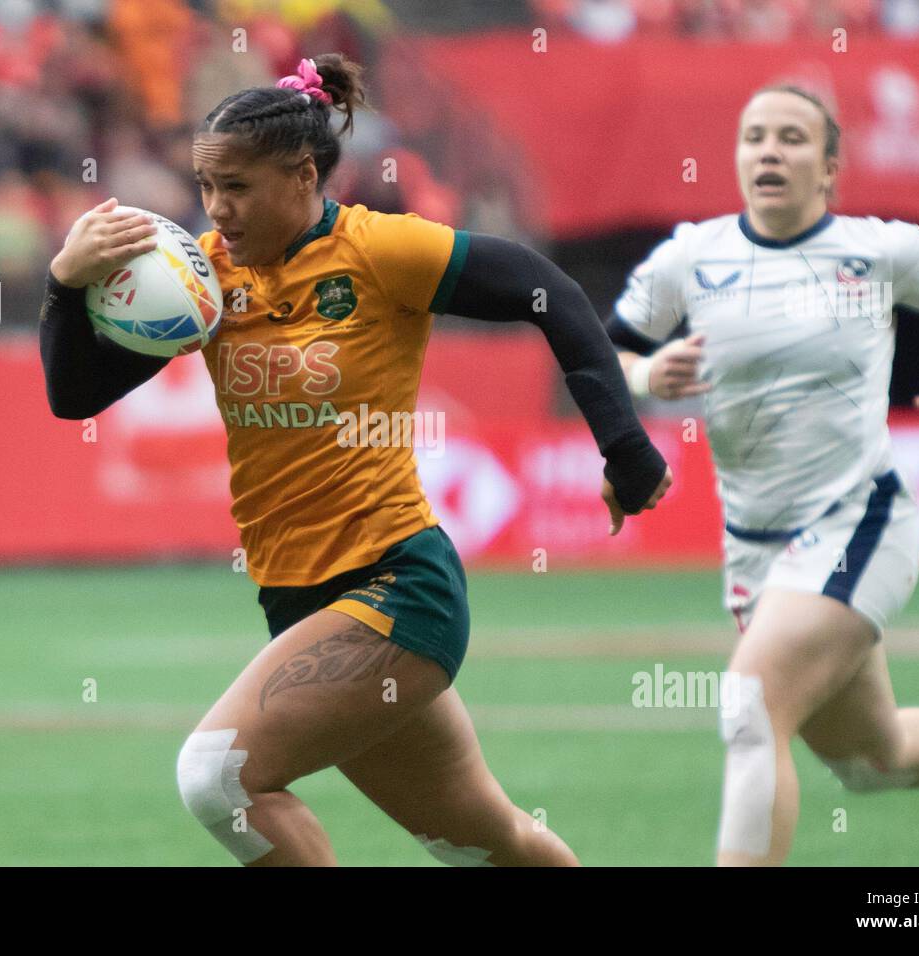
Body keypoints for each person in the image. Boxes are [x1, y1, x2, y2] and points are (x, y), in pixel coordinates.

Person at [39, 54, 672, 866]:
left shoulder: (379, 251)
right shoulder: (204, 280)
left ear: (302, 173)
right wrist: (65, 284)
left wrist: (624, 448)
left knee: (217, 778)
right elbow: (74, 397)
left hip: (397, 584)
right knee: (491, 843)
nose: (217, 209)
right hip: (297, 603)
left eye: (237, 186)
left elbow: (549, 292)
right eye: (206, 186)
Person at [606, 84, 919, 866]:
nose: (770, 150)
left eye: (793, 139)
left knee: (748, 706)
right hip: (754, 551)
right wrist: (643, 375)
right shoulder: (690, 257)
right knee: (876, 761)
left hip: (858, 523)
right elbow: (608, 351)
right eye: (755, 136)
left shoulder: (879, 249)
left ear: (831, 167)